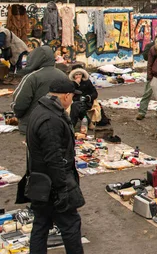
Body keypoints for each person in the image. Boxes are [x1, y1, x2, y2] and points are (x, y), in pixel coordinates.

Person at [17, 79, 85, 254]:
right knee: (70, 225)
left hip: (41, 182)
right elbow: (54, 158)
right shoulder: (50, 119)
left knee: (41, 225)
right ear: (66, 96)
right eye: (72, 97)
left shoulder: (43, 110)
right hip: (51, 184)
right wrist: (62, 189)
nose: (72, 101)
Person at [11, 46, 69, 134]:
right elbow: (68, 100)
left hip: (31, 126)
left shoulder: (32, 77)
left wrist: (18, 115)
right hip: (58, 125)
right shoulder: (63, 76)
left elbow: (20, 103)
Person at [137, 40, 156, 121]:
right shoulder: (151, 46)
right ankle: (141, 112)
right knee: (147, 93)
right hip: (152, 73)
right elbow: (145, 56)